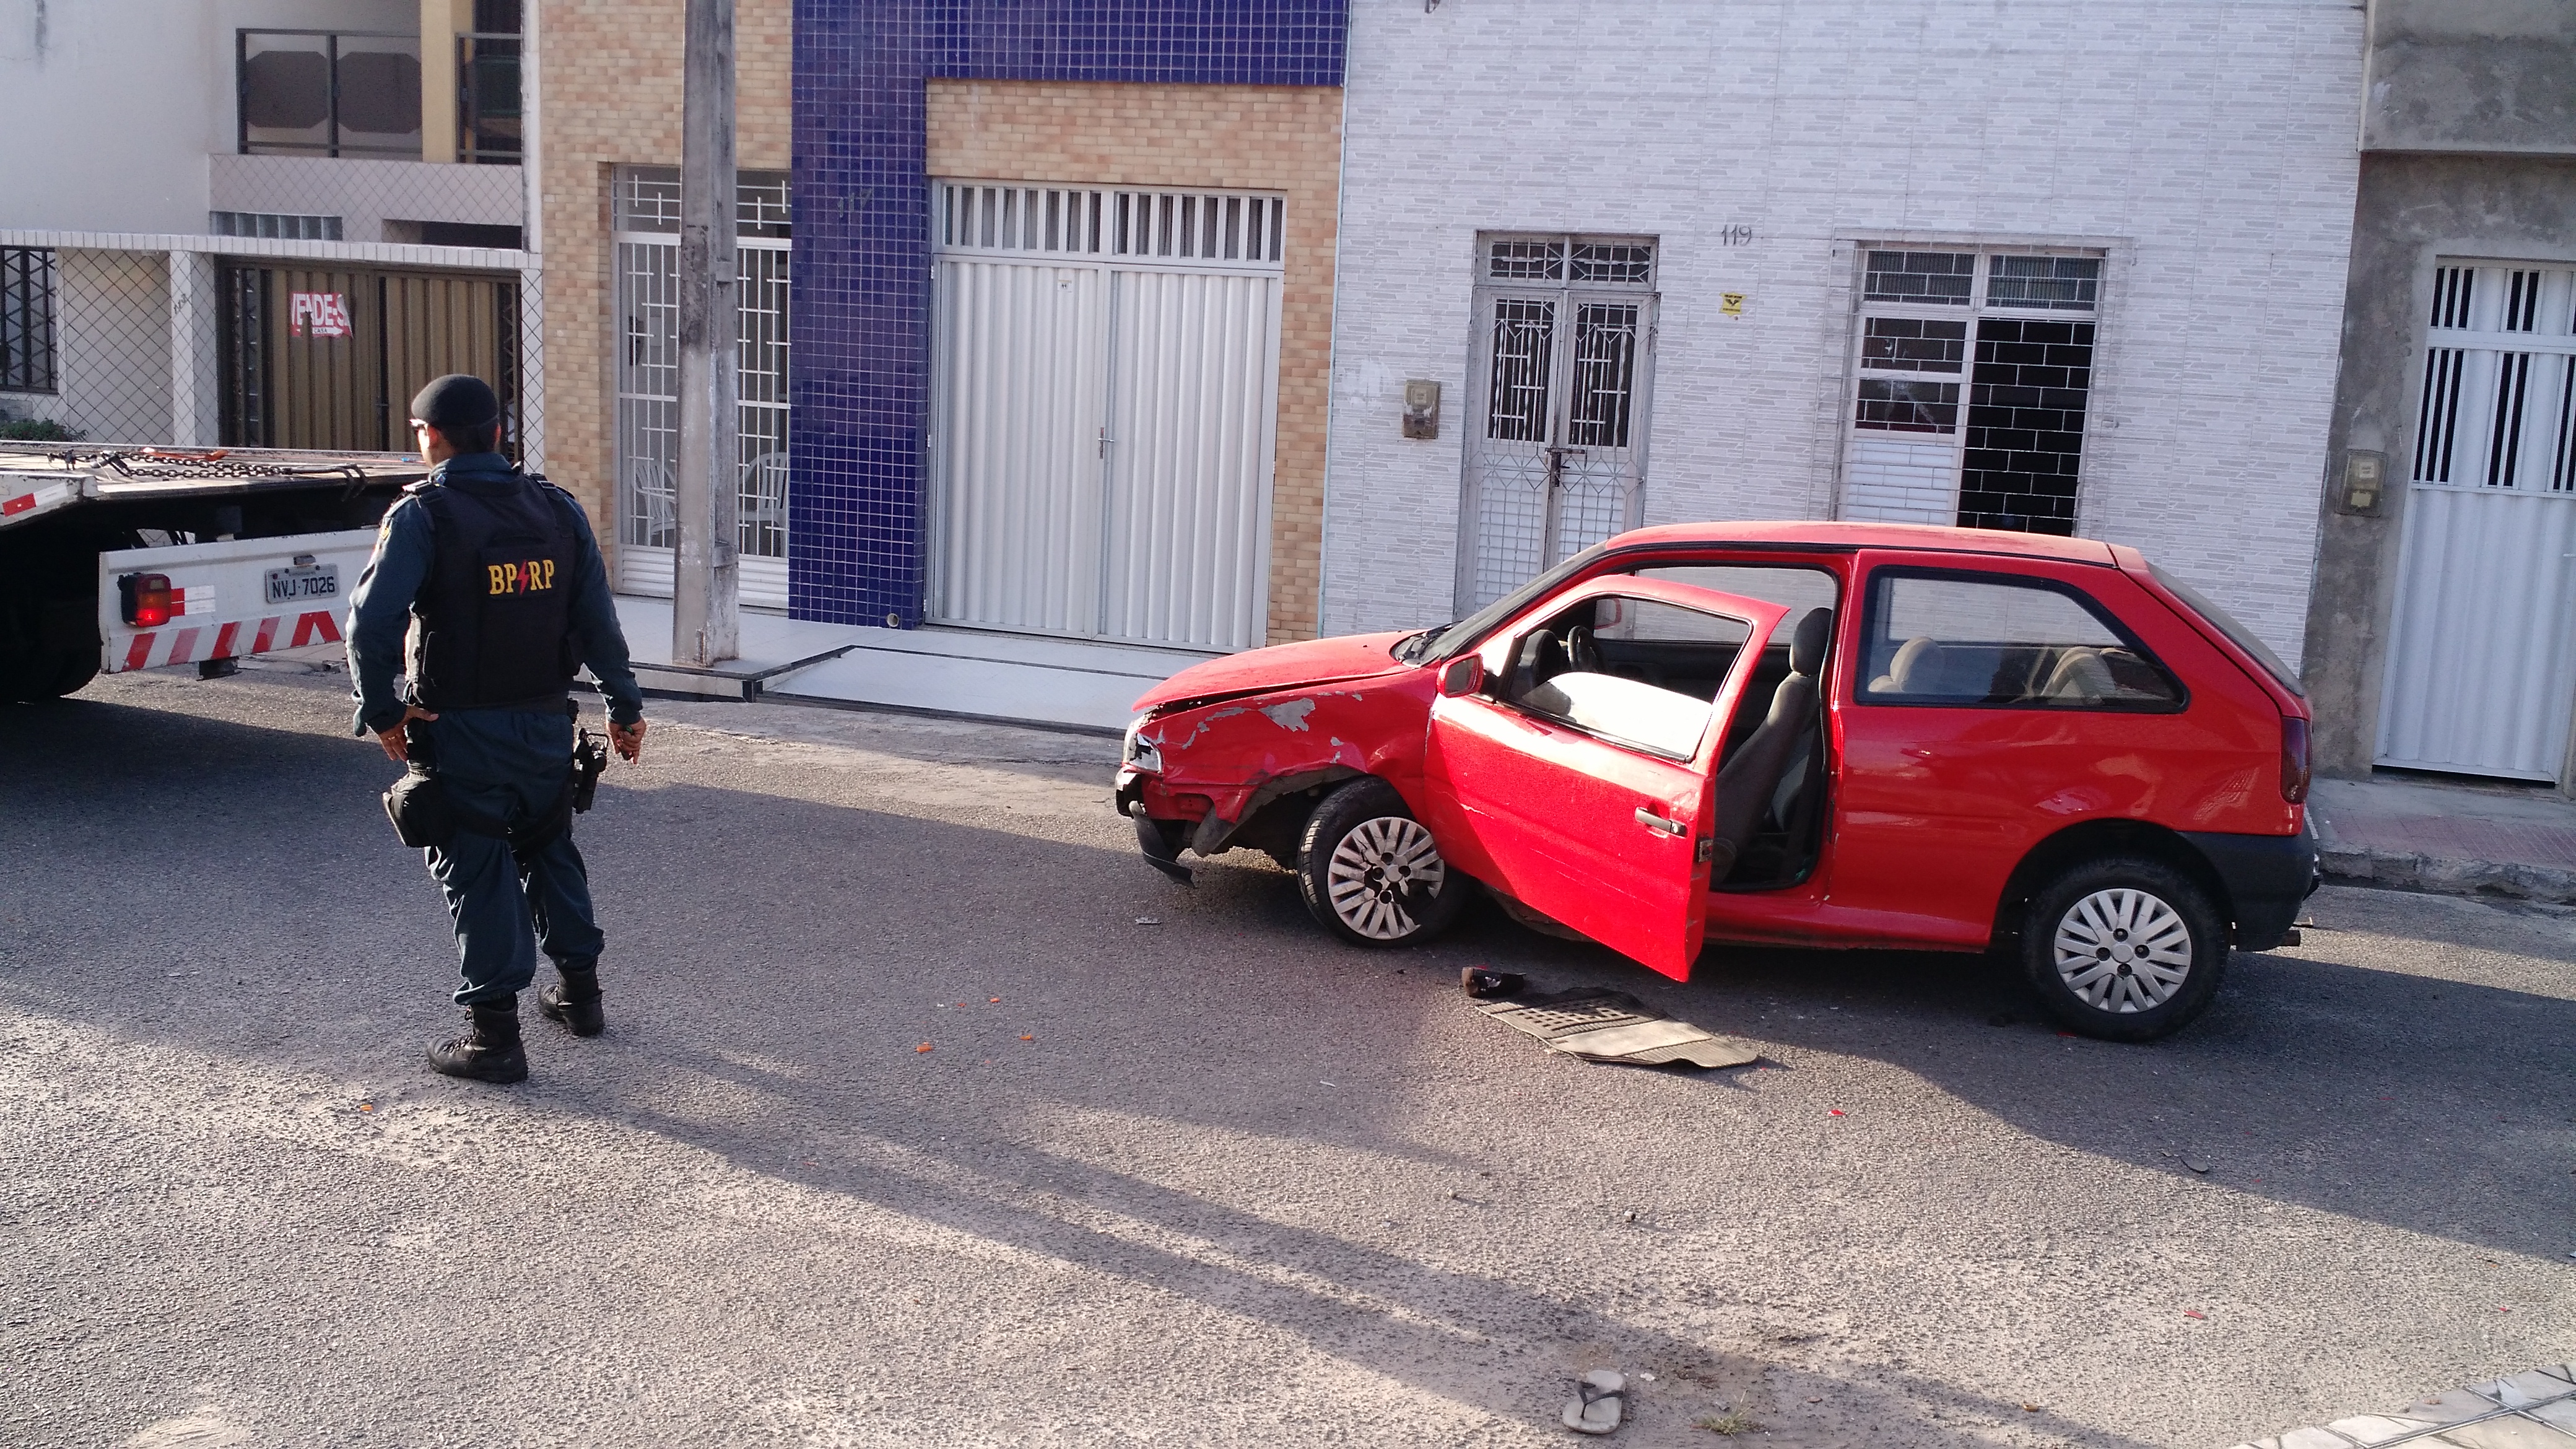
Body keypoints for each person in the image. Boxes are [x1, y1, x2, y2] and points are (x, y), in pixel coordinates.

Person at [345, 374, 648, 1084]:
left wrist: (382, 710)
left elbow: (370, 623)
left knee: (477, 864)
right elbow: (597, 622)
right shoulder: (556, 509)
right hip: (546, 722)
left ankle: (494, 1038)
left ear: (431, 436)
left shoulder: (424, 515)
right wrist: (625, 709)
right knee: (547, 843)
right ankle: (580, 996)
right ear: (498, 435)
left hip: (461, 728)